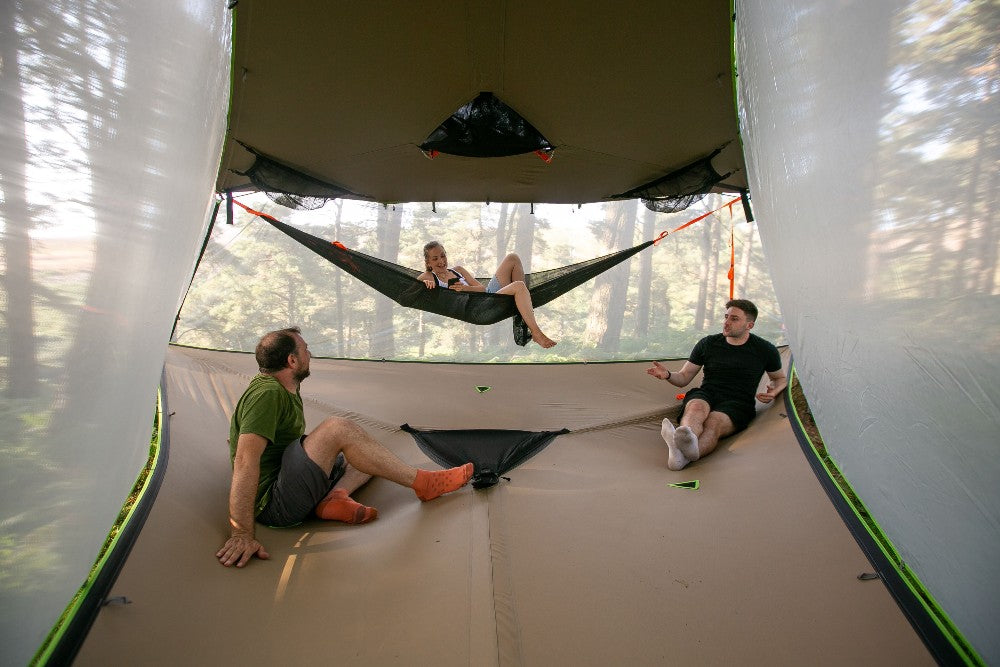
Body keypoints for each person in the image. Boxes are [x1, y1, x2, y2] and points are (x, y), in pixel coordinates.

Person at [217, 327, 474, 568]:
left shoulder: (282, 388)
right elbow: (245, 461)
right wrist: (241, 533)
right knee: (337, 428)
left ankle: (334, 498)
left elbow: (246, 432)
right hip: (274, 504)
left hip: (289, 478)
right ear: (292, 361)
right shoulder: (268, 394)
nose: (310, 354)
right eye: (305, 350)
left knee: (367, 453)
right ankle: (424, 484)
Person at [646, 299, 787, 471]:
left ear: (749, 325)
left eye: (734, 319)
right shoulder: (708, 344)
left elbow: (780, 378)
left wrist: (774, 392)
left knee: (714, 422)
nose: (726, 322)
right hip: (707, 393)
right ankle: (682, 452)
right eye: (726, 317)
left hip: (738, 403)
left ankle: (680, 453)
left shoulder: (765, 349)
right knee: (696, 407)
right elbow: (683, 377)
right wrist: (667, 375)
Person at [417, 241, 557, 348]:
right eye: (435, 259)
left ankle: (521, 309)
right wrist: (425, 284)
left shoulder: (458, 270)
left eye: (443, 255)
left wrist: (465, 289)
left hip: (488, 296)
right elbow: (409, 289)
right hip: (478, 310)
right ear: (428, 263)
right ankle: (535, 332)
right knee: (519, 286)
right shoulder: (428, 276)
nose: (441, 261)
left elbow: (482, 289)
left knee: (513, 258)